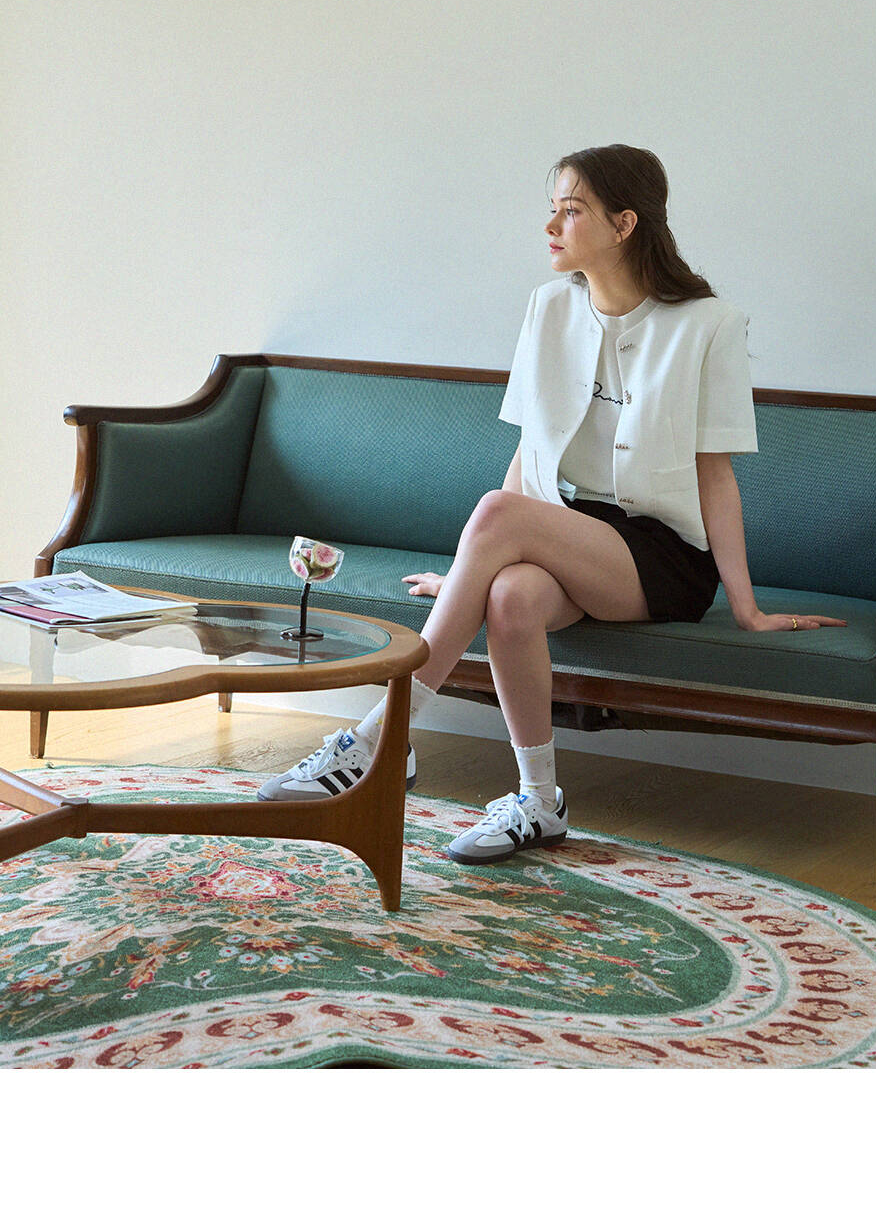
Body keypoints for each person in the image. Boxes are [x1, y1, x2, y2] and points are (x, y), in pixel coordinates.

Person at [266, 141, 838, 861]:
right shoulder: (548, 307)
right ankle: (539, 801)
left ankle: (382, 738)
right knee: (509, 597)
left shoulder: (708, 324)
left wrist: (745, 607)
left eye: (572, 211)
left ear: (625, 223)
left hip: (661, 554)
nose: (551, 226)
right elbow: (530, 452)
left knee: (497, 516)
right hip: (569, 529)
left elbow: (715, 474)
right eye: (554, 210)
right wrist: (471, 575)